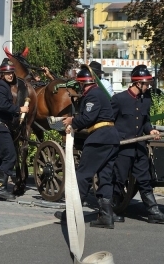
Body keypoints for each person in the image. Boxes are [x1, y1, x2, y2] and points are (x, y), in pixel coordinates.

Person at [54, 67, 120, 228]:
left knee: (83, 174)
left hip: (99, 139)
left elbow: (88, 118)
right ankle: (106, 216)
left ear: (83, 85)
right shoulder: (100, 94)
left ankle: (72, 213)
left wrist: (72, 122)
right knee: (105, 177)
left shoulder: (92, 96)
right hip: (111, 138)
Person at [112, 64, 164, 223]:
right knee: (119, 179)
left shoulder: (146, 100)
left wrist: (150, 130)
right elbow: (109, 123)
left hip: (139, 148)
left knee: (145, 180)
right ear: (138, 83)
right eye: (147, 84)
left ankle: (153, 212)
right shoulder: (119, 100)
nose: (149, 86)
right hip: (124, 147)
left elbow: (144, 121)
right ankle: (110, 210)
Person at [0, 59, 29, 201]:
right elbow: (3, 106)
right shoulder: (0, 87)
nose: (10, 75)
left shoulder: (3, 86)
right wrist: (19, 109)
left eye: (11, 73)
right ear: (2, 74)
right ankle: (0, 188)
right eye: (7, 73)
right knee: (10, 156)